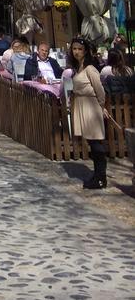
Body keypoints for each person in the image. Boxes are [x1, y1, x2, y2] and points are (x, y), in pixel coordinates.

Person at [67, 36, 109, 190]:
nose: (77, 52)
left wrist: (100, 106)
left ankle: (100, 177)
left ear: (85, 51)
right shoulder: (78, 68)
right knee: (91, 142)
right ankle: (97, 175)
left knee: (96, 142)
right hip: (82, 105)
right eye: (74, 49)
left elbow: (100, 90)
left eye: (80, 49)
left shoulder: (90, 69)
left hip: (91, 106)